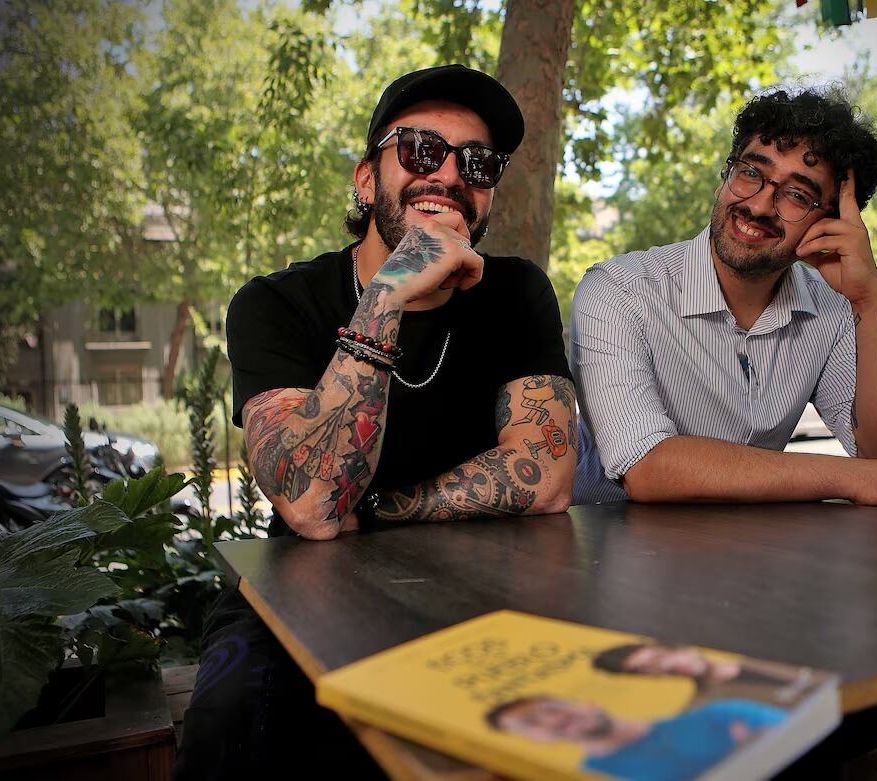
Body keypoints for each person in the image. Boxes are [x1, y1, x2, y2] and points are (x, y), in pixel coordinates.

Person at [174, 64, 576, 778]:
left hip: (480, 577)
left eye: (476, 163)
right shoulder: (276, 304)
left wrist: (382, 509)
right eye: (421, 150)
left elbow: (544, 475)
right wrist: (388, 294)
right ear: (366, 181)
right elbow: (312, 505)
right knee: (229, 720)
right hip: (306, 584)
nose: (447, 174)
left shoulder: (516, 292)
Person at [570, 85, 877, 507]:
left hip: (761, 546)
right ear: (726, 176)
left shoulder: (834, 308)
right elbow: (647, 467)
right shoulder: (618, 290)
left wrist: (870, 297)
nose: (760, 206)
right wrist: (853, 478)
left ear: (831, 221)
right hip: (607, 541)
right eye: (750, 173)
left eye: (797, 195)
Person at [487, 695, 785, 781]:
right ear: (537, 740)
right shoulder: (596, 777)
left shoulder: (722, 713)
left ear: (588, 703)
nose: (554, 719)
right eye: (531, 722)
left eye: (552, 707)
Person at [592, 642, 818, 706]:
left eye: (658, 659)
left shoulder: (742, 643)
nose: (666, 668)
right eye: (647, 672)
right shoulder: (710, 704)